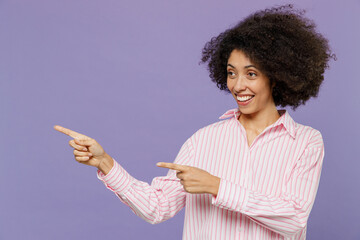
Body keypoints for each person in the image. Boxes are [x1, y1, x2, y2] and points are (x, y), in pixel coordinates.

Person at [55, 4, 335, 239]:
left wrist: (217, 186)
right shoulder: (203, 141)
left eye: (251, 74)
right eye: (231, 73)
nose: (238, 85)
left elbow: (295, 218)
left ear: (276, 76)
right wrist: (105, 162)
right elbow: (157, 208)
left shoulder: (306, 142)